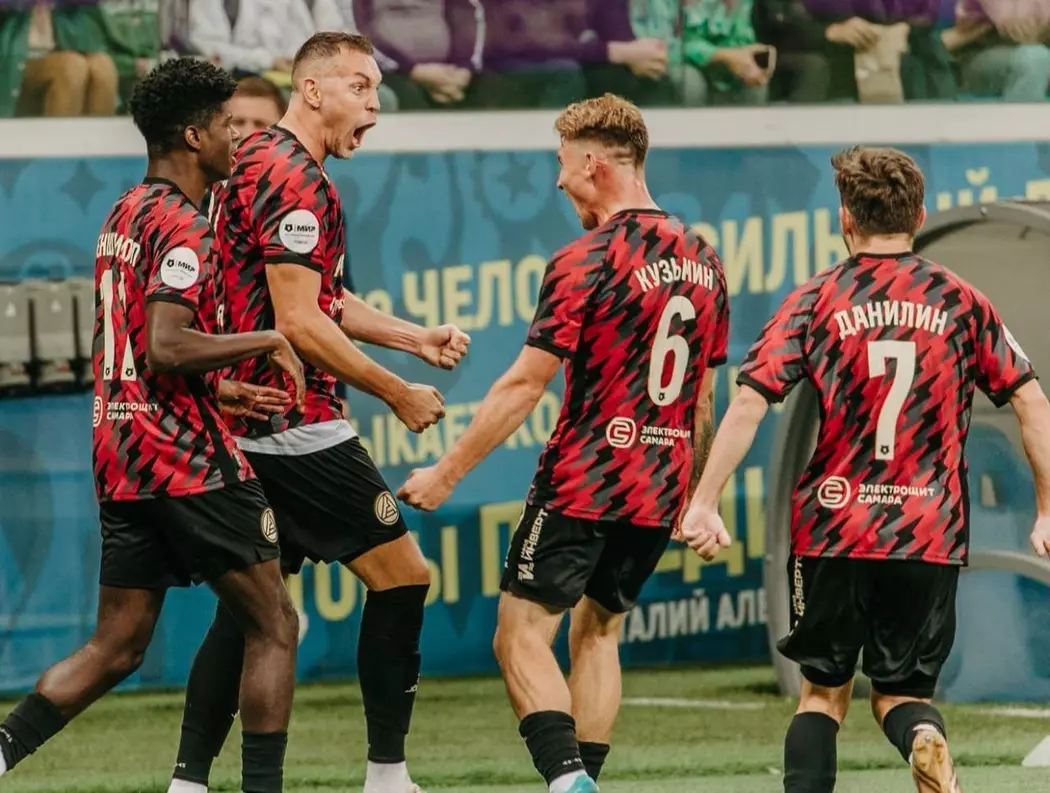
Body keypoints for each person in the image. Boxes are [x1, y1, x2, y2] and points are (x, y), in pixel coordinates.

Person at [679, 145, 1050, 793]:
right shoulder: (959, 299)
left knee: (822, 694)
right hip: (928, 529)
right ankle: (923, 734)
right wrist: (1046, 508)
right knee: (902, 693)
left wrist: (704, 500)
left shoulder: (819, 297)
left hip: (835, 525)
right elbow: (1031, 400)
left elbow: (750, 400)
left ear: (845, 218)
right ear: (921, 215)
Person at [398, 93, 730, 793]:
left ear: (592, 164)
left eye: (562, 164)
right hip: (659, 483)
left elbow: (525, 385)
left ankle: (568, 780)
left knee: (519, 633)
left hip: (585, 480)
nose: (556, 181)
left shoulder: (587, 259)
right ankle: (584, 781)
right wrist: (696, 495)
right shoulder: (706, 260)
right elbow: (702, 398)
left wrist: (447, 472)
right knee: (600, 631)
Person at [168, 32, 470, 793]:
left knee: (250, 614)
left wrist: (414, 338)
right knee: (403, 577)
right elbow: (300, 322)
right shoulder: (297, 178)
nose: (374, 105)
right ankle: (388, 774)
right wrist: (397, 391)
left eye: (376, 89)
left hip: (242, 422)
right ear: (312, 90)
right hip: (293, 424)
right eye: (360, 87)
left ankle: (188, 781)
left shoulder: (257, 159)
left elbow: (321, 299)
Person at [0, 58, 308, 793]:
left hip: (123, 452)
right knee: (274, 624)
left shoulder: (125, 212)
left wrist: (220, 386)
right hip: (186, 459)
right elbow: (166, 344)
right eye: (227, 125)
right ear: (194, 136)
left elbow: (142, 348)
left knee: (117, 646)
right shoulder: (185, 225)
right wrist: (267, 338)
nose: (237, 138)